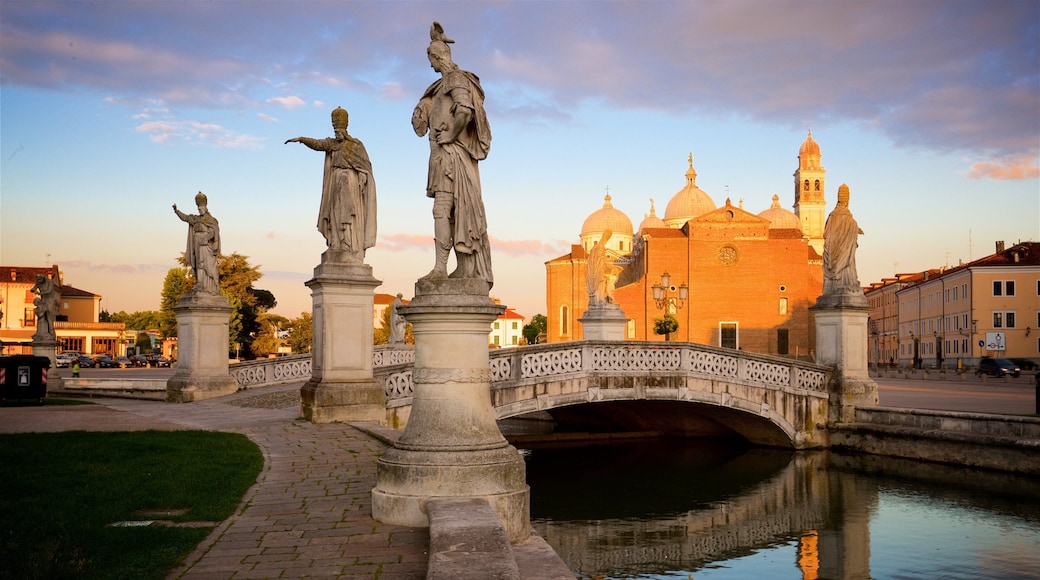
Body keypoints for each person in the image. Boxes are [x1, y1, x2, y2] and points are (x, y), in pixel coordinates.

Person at [412, 21, 493, 287]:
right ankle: (455, 266)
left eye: (431, 59)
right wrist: (422, 110)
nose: (430, 65)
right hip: (440, 156)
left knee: (445, 210)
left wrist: (451, 134)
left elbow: (465, 110)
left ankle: (441, 268)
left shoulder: (457, 79)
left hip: (452, 157)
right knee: (450, 212)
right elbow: (421, 126)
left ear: (439, 57)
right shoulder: (438, 87)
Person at [286, 107, 377, 263]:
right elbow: (318, 144)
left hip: (349, 181)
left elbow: (365, 167)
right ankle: (335, 243)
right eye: (335, 131)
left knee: (347, 213)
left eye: (339, 131)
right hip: (334, 181)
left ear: (345, 130)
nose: (336, 134)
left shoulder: (355, 145)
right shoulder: (332, 144)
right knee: (334, 212)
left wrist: (363, 177)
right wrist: (302, 139)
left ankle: (347, 244)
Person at [173, 192, 221, 295]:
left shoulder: (211, 220)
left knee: (206, 265)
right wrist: (177, 211)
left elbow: (214, 232)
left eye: (201, 209)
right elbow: (185, 218)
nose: (199, 210)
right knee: (199, 264)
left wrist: (207, 238)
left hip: (206, 246)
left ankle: (210, 287)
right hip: (197, 245)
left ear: (205, 208)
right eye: (198, 209)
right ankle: (200, 283)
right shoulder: (196, 219)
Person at [821, 183, 864, 296]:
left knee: (839, 263)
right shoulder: (847, 217)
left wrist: (854, 229)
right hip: (844, 249)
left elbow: (827, 233)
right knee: (845, 263)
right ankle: (845, 283)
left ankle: (837, 283)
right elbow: (839, 230)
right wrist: (854, 229)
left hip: (834, 248)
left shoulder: (832, 216)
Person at [29, 274, 61, 341]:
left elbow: (48, 291)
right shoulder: (39, 282)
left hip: (50, 300)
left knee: (48, 315)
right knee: (42, 315)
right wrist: (32, 290)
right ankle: (42, 332)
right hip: (43, 300)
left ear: (43, 279)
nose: (39, 282)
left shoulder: (50, 282)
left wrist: (39, 293)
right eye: (38, 280)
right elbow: (34, 288)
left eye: (40, 280)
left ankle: (52, 333)